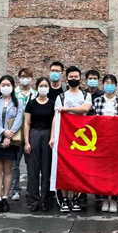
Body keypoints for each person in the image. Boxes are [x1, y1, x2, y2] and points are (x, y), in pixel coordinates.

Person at [50, 66, 92, 213]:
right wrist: (52, 136)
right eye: (71, 77)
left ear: (80, 79)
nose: (74, 79)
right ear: (66, 79)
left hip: (81, 138)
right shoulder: (61, 97)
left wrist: (67, 109)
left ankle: (76, 197)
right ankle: (64, 199)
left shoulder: (86, 95)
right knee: (64, 168)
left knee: (77, 168)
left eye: (76, 77)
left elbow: (85, 109)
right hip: (64, 137)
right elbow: (56, 117)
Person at [0, 75, 24, 214]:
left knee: (8, 169)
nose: (6, 87)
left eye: (8, 85)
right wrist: (3, 132)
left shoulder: (18, 102)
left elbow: (19, 119)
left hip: (11, 139)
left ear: (13, 86)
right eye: (3, 85)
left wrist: (10, 134)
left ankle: (5, 198)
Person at [93, 74, 118, 213]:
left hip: (117, 140)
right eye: (107, 82)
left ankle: (114, 199)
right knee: (103, 170)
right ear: (103, 85)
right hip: (101, 140)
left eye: (112, 83)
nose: (109, 85)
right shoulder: (97, 101)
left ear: (116, 86)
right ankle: (105, 198)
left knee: (116, 170)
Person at [25, 77, 55, 212]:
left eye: (45, 85)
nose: (43, 88)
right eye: (41, 86)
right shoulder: (31, 103)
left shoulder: (52, 103)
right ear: (37, 87)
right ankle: (34, 199)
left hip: (47, 134)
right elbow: (27, 123)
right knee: (33, 168)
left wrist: (52, 137)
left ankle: (44, 199)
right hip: (34, 134)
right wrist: (27, 142)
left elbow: (54, 122)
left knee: (46, 167)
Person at [11, 68, 37, 201]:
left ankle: (30, 188)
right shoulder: (13, 93)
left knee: (31, 162)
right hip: (16, 131)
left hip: (31, 131)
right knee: (14, 162)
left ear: (31, 78)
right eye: (22, 76)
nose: (24, 79)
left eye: (27, 76)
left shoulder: (35, 93)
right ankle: (15, 189)